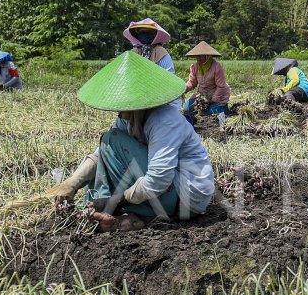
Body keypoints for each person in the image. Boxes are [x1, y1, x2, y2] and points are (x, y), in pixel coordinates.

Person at [51, 51, 216, 233]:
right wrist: (72, 183)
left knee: (111, 139)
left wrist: (118, 200)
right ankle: (133, 215)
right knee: (109, 141)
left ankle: (115, 208)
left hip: (187, 198)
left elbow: (159, 179)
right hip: (171, 195)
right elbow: (103, 153)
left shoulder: (164, 120)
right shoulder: (130, 117)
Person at [182, 41, 231, 128]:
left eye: (202, 56)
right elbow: (192, 82)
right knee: (187, 108)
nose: (199, 58)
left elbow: (221, 86)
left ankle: (225, 109)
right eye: (198, 56)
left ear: (208, 56)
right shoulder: (195, 67)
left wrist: (212, 100)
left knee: (211, 112)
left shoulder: (216, 66)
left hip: (217, 95)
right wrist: (184, 89)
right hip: (202, 95)